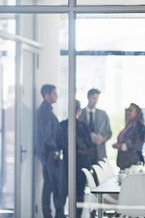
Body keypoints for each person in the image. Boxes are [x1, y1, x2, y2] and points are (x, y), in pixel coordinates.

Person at [58, 100, 94, 217]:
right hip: (80, 163)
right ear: (79, 110)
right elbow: (90, 145)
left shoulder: (63, 125)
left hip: (68, 163)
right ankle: (76, 216)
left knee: (64, 191)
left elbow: (59, 144)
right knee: (79, 192)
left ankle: (62, 215)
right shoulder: (83, 126)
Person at [35, 84, 64, 218]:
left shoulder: (46, 110)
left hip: (48, 153)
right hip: (49, 153)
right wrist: (54, 150)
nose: (56, 96)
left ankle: (50, 214)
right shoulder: (45, 111)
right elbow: (47, 134)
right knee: (51, 185)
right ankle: (49, 214)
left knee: (50, 184)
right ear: (47, 95)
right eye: (54, 93)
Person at [79, 88, 112, 164]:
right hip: (85, 152)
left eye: (97, 98)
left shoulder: (103, 114)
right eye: (93, 98)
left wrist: (102, 138)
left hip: (99, 153)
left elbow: (109, 133)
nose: (95, 101)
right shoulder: (80, 114)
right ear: (88, 98)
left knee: (99, 174)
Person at [112, 103, 145, 169]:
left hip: (133, 162)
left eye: (130, 111)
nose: (127, 112)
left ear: (137, 113)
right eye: (127, 110)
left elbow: (137, 145)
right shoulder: (128, 126)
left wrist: (122, 146)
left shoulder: (140, 127)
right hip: (123, 162)